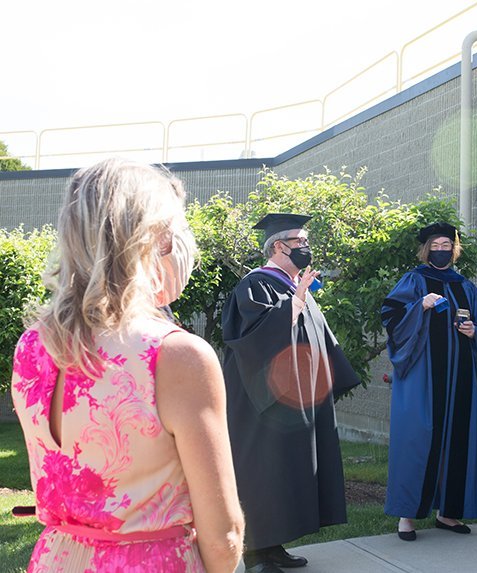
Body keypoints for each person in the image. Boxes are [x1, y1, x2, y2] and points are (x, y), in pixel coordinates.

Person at [10, 158, 245, 573]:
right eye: (174, 233)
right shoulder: (177, 356)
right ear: (150, 238)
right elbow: (223, 535)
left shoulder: (33, 346)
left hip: (56, 558)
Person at [221, 213, 360, 572]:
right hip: (259, 402)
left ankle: (274, 546)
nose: (306, 248)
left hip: (293, 399)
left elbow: (318, 339)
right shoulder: (256, 285)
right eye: (301, 242)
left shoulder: (294, 286)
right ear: (279, 246)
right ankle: (254, 553)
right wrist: (293, 305)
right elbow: (252, 340)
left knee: (284, 471)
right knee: (263, 471)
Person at [381, 222, 477, 541]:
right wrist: (420, 305)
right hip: (423, 377)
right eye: (437, 245)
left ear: (454, 249)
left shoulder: (465, 286)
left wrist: (475, 332)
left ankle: (448, 514)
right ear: (427, 248)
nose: (442, 250)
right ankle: (407, 517)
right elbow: (390, 318)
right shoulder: (414, 280)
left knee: (457, 440)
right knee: (419, 439)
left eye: (448, 245)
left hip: (458, 378)